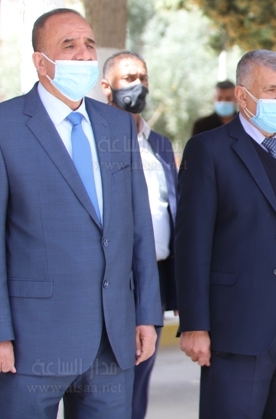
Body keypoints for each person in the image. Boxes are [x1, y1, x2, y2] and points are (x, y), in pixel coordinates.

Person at [0, 9, 162, 417]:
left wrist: (146, 315)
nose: (83, 54)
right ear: (40, 61)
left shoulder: (117, 126)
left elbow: (138, 228)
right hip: (30, 346)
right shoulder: (1, 127)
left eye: (88, 44)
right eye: (68, 45)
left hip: (112, 341)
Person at [175, 49, 276, 419]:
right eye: (271, 90)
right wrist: (195, 324)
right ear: (242, 96)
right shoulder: (209, 150)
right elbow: (191, 243)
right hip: (238, 327)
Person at [100, 51, 178, 419]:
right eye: (129, 78)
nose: (139, 85)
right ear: (106, 87)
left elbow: (171, 209)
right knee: (107, 387)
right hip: (112, 278)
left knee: (140, 379)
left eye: (143, 78)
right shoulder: (94, 140)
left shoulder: (159, 144)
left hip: (155, 279)